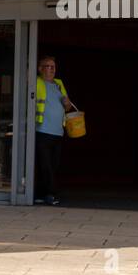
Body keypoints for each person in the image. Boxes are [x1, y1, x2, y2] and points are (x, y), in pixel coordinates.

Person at [34, 55, 76, 206]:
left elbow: (68, 107)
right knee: (45, 165)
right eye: (47, 66)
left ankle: (39, 194)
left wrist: (67, 103)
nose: (51, 69)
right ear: (40, 69)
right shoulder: (36, 82)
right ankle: (51, 194)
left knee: (51, 165)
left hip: (58, 131)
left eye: (53, 67)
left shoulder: (59, 84)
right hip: (42, 130)